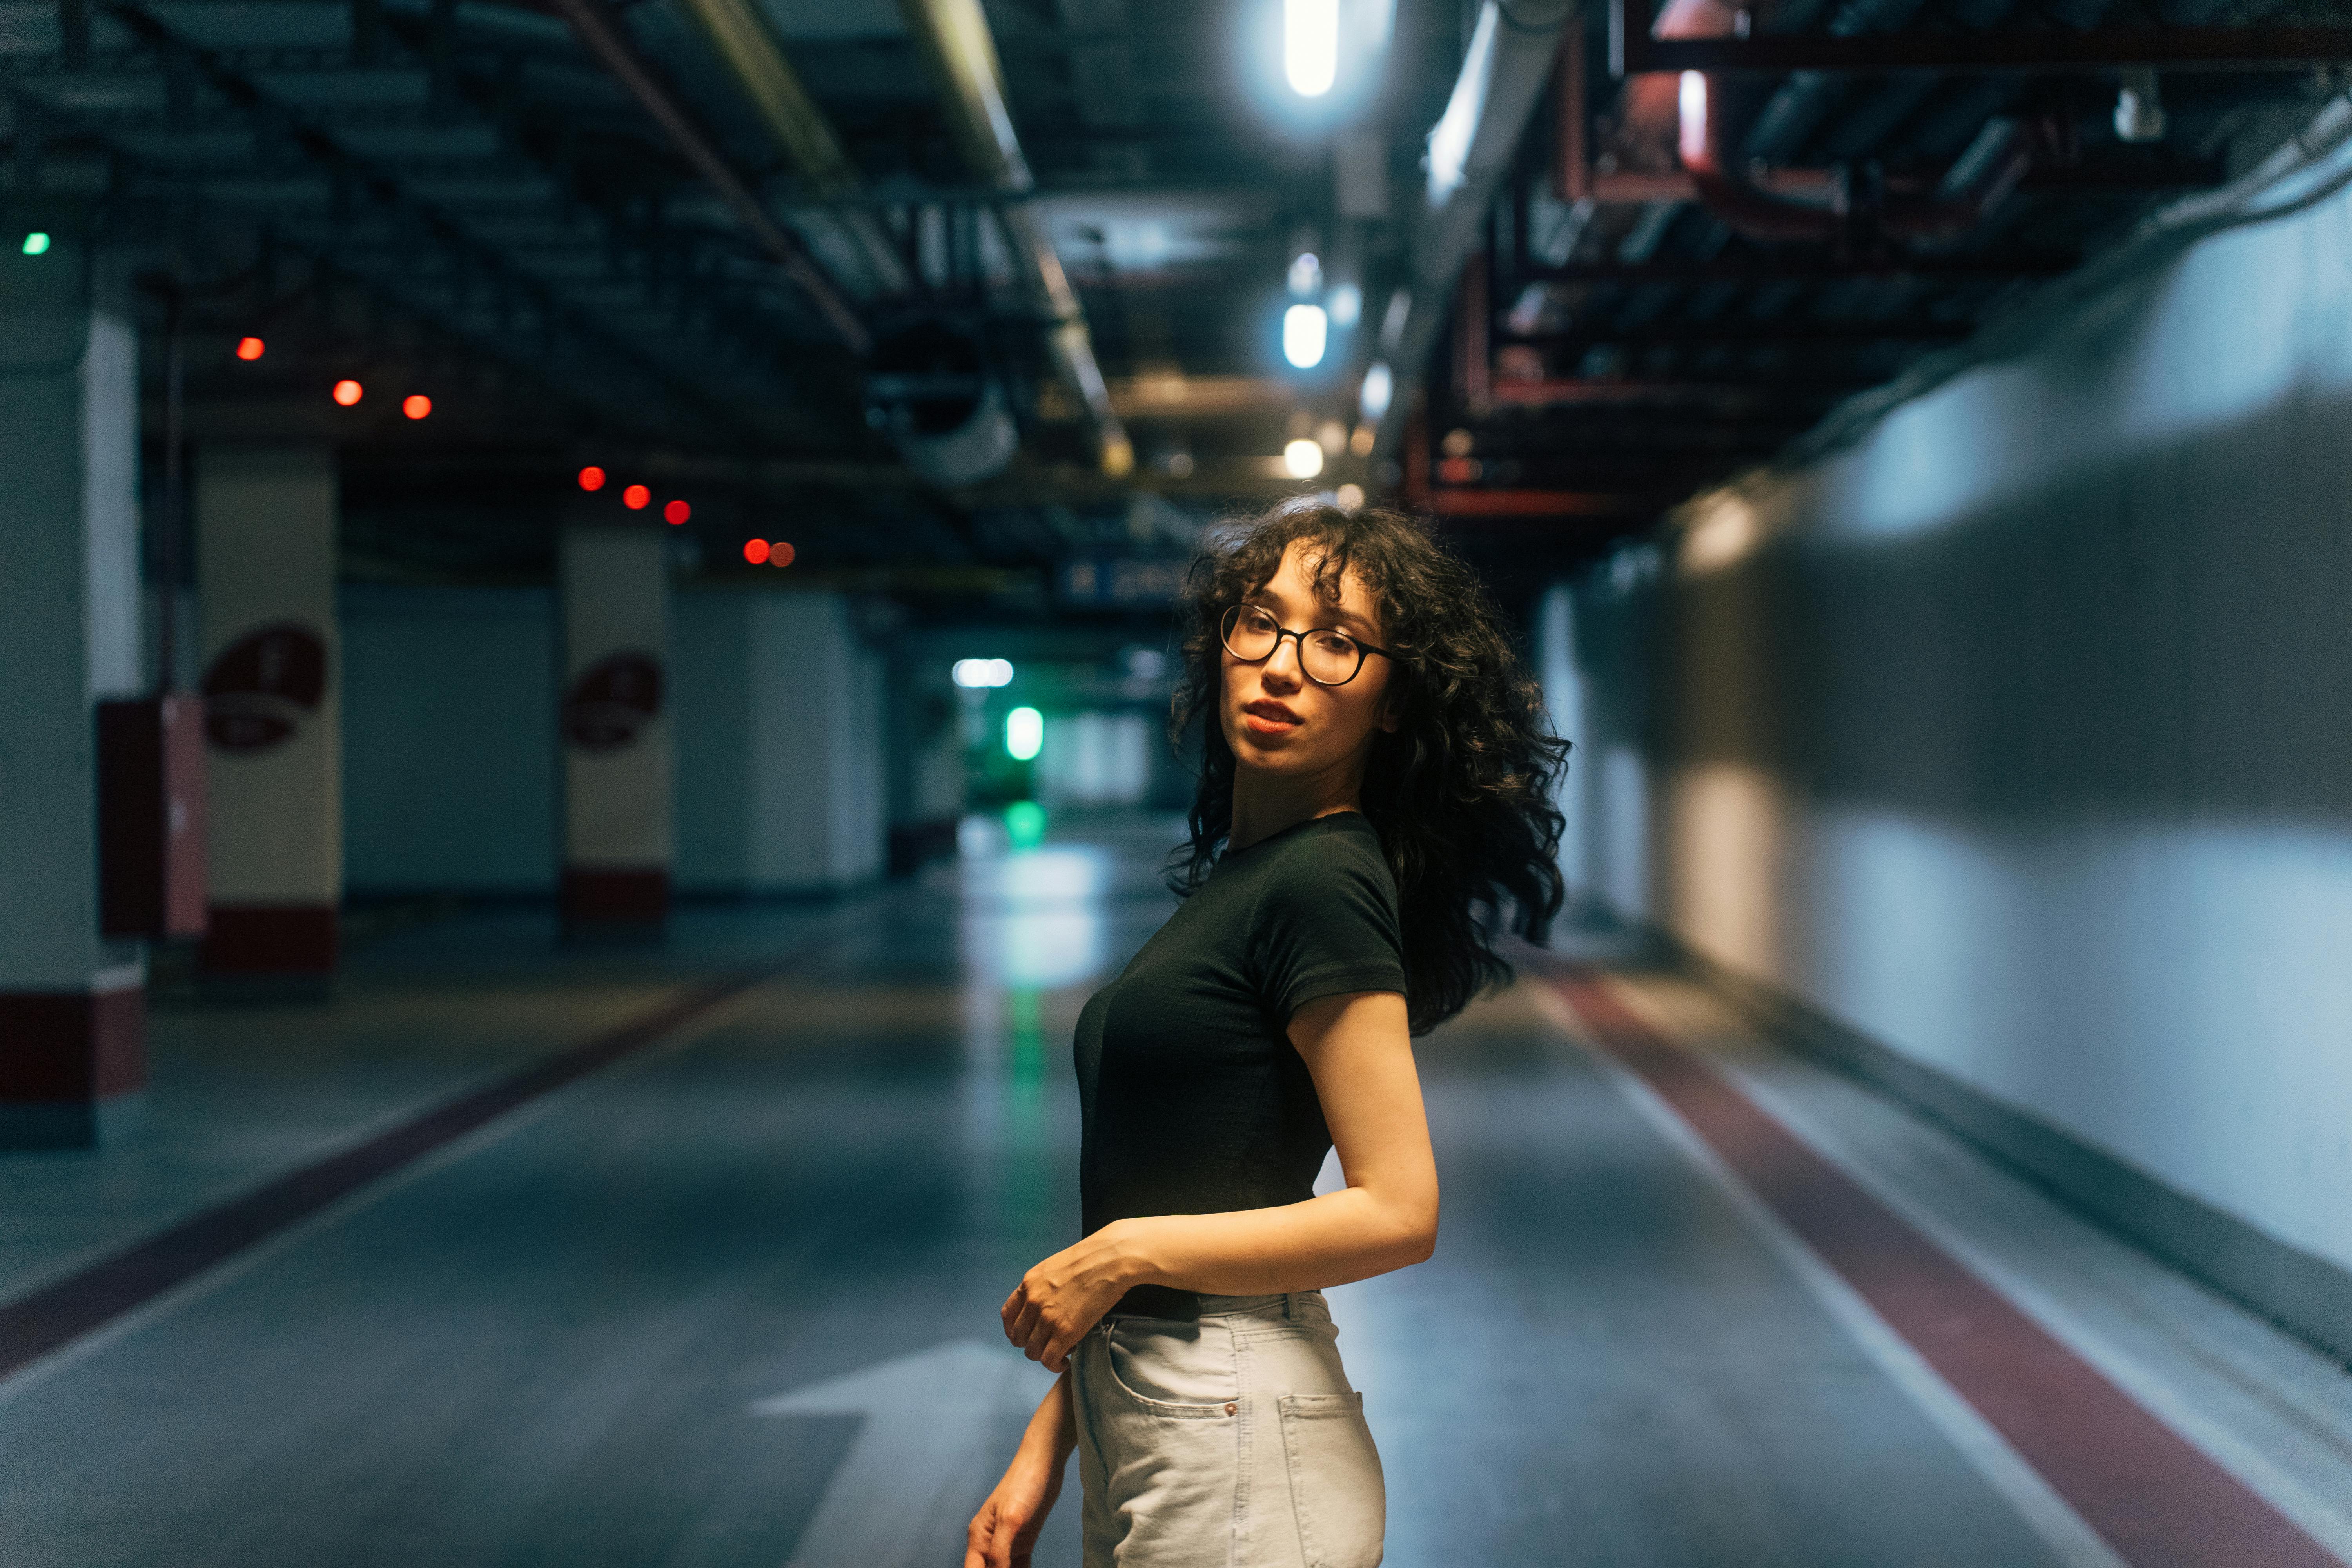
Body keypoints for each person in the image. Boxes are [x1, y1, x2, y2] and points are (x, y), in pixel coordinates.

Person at [966, 499, 1568, 1568]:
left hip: (1233, 1427)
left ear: (1393, 703)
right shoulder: (1252, 875)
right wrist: (1054, 1435)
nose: (1284, 665)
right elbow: (1213, 1178)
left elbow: (1401, 1210)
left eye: (1337, 642)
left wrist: (1119, 1254)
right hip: (1169, 1416)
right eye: (1262, 622)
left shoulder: (1326, 880)